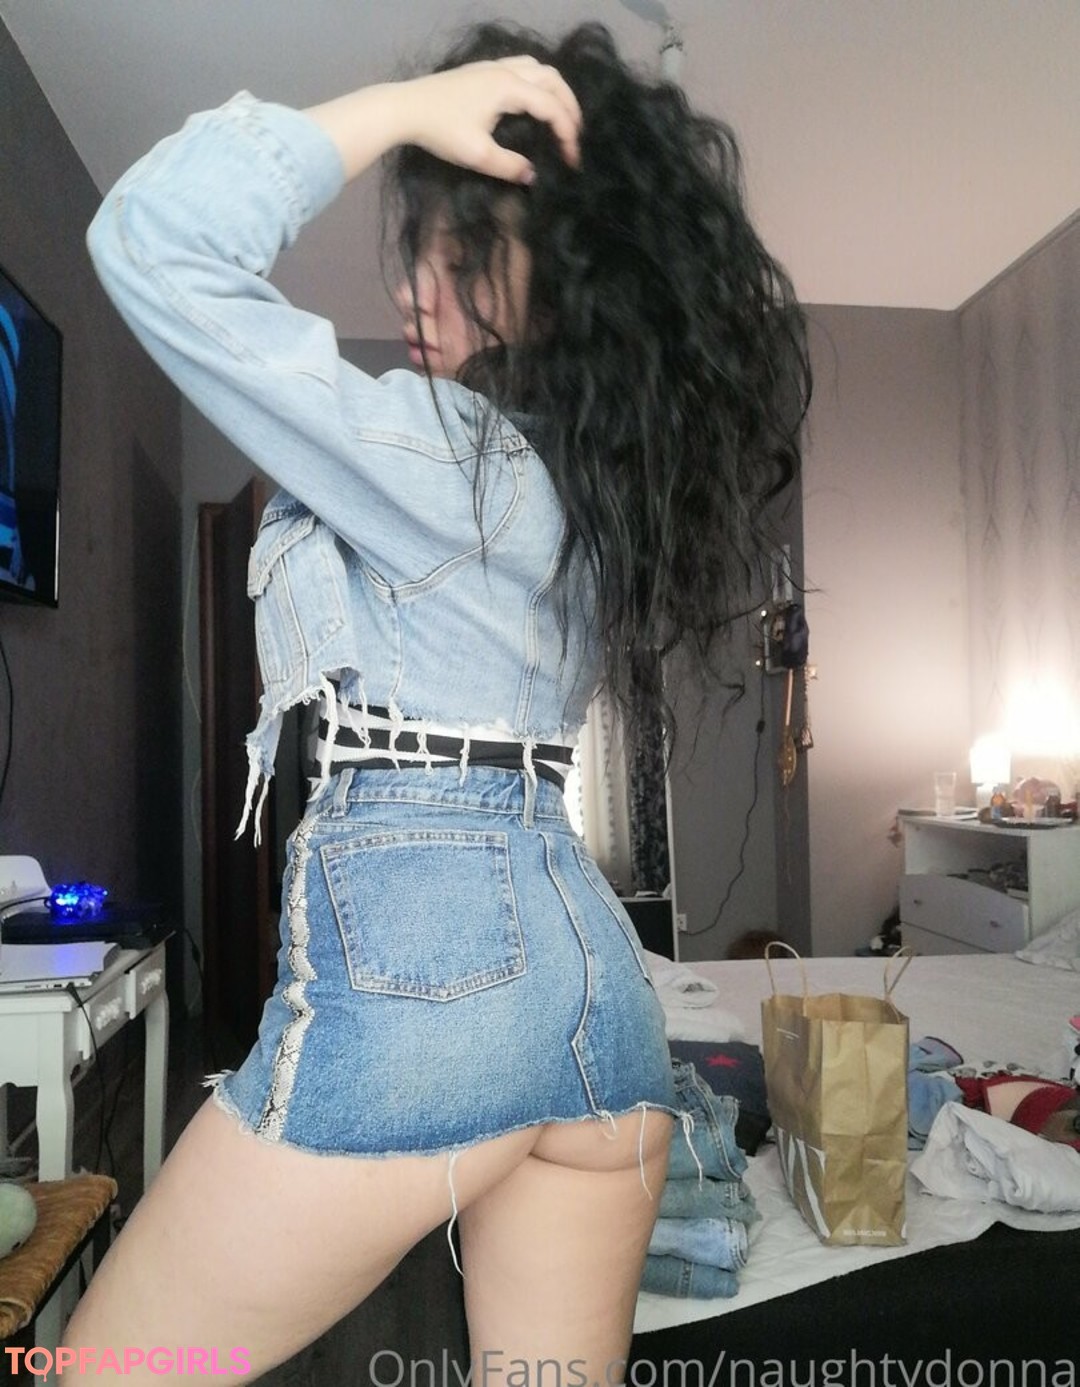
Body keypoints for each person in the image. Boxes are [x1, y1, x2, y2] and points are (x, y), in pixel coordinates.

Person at [72, 20, 809, 1383]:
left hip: (435, 984)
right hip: (599, 1008)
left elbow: (152, 239)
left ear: (569, 273)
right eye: (418, 243)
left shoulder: (439, 452)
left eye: (465, 247)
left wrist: (404, 105)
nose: (415, 282)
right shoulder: (587, 493)